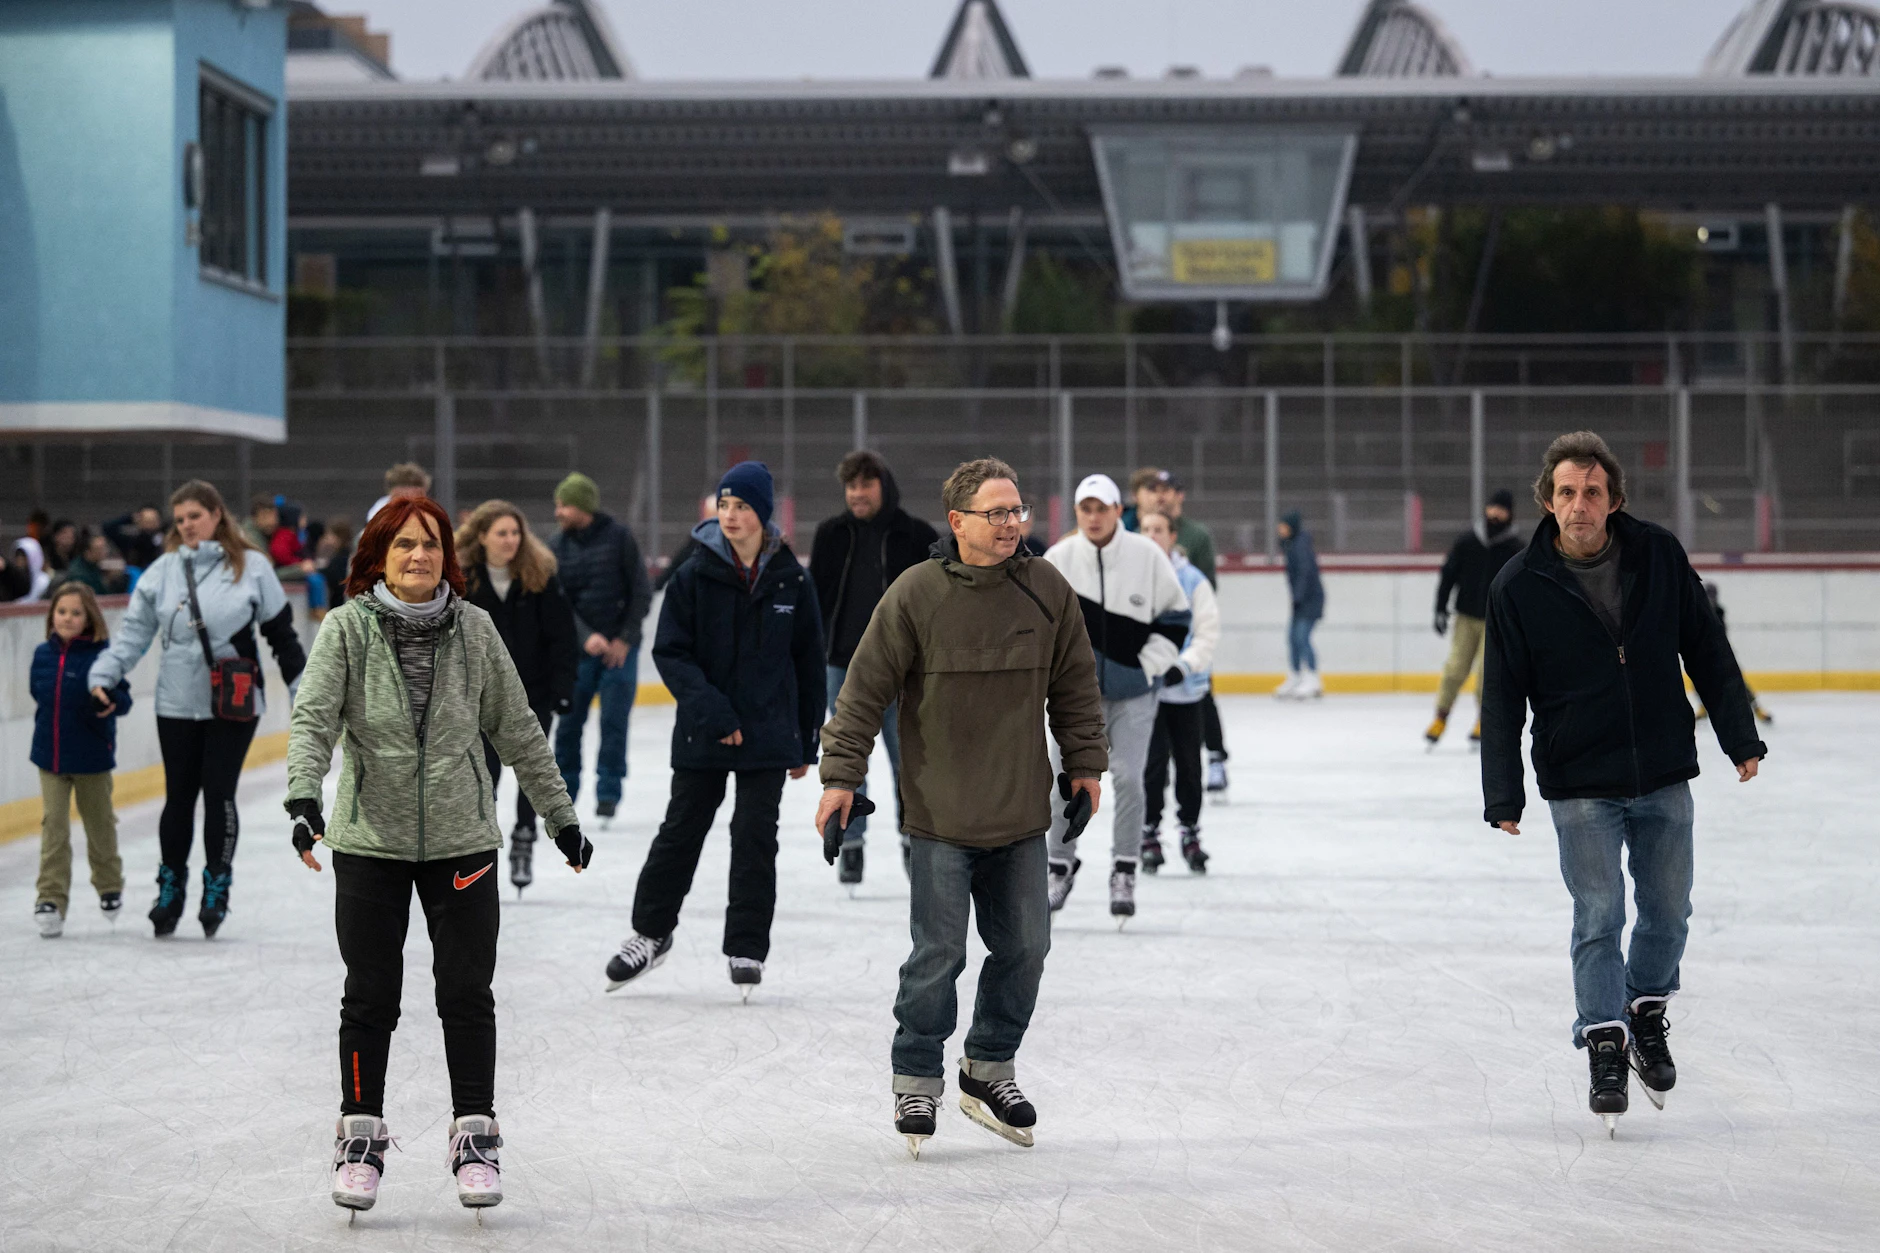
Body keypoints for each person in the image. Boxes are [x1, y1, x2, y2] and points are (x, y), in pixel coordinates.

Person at [285, 495, 589, 1217]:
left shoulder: (475, 628)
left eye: (429, 543)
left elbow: (517, 727)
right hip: (370, 840)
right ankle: (360, 1139)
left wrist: (559, 815)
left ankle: (475, 1139)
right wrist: (303, 797)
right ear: (379, 556)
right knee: (370, 994)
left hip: (462, 839)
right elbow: (314, 718)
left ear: (447, 554)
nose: (418, 555)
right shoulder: (347, 628)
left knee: (466, 992)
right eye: (403, 544)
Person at [816, 457, 1106, 1154]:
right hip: (940, 813)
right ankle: (916, 1076)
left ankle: (988, 1066)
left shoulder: (1045, 589)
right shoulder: (916, 593)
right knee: (938, 953)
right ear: (958, 522)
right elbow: (861, 692)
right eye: (995, 512)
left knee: (1027, 947)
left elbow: (1074, 685)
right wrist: (840, 778)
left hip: (1020, 811)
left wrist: (1086, 766)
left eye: (1017, 510)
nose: (1011, 524)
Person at [1481, 430, 1766, 1137]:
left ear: (1613, 501)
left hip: (1661, 768)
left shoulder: (1658, 555)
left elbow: (1706, 646)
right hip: (1579, 779)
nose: (1579, 504)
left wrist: (1738, 734)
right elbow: (1501, 697)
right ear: (1548, 500)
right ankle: (1605, 1042)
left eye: (1593, 492)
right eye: (1567, 492)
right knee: (1599, 913)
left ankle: (1643, 1009)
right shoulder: (1518, 585)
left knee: (1669, 913)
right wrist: (1503, 792)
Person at [603, 462, 823, 998]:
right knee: (680, 831)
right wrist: (714, 713)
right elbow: (670, 652)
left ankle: (746, 946)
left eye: (742, 506)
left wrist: (807, 739)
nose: (730, 515)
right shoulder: (693, 573)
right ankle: (651, 933)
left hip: (769, 732)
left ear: (762, 513)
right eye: (724, 505)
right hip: (705, 729)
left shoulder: (791, 578)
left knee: (754, 838)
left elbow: (808, 662)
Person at [86, 480, 306, 939]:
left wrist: (302, 691)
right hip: (176, 702)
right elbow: (133, 636)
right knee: (179, 797)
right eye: (181, 519)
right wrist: (104, 673)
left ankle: (216, 887)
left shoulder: (252, 567)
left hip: (233, 703)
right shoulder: (162, 572)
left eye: (195, 516)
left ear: (216, 515)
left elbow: (282, 637)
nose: (187, 525)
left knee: (219, 794)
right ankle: (170, 889)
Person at [1043, 473, 1188, 922]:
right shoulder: (1059, 559)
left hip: (1133, 695)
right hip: (1073, 700)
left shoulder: (1147, 555)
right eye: (1085, 509)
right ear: (1077, 513)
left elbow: (1177, 617)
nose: (1093, 517)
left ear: (1117, 512)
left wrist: (1147, 666)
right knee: (1060, 781)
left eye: (1101, 508)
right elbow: (1037, 625)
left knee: (1127, 778)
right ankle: (1058, 866)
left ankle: (1124, 868)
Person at [808, 450, 939, 887]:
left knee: (909, 765)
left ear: (885, 486)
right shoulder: (830, 534)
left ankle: (913, 841)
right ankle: (851, 845)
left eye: (865, 484)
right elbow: (816, 602)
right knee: (850, 762)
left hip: (902, 673)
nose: (857, 494)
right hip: (843, 669)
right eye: (851, 486)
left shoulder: (916, 535)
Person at [457, 500, 579, 894]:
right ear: (482, 536)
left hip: (533, 694)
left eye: (515, 532)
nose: (510, 540)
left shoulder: (539, 576)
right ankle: (482, 846)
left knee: (533, 771)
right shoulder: (462, 582)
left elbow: (563, 637)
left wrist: (563, 688)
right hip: (479, 696)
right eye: (501, 533)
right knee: (484, 772)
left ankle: (524, 837)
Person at [29, 584, 132, 938]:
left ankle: (109, 885)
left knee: (99, 825)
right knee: (54, 828)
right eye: (61, 612)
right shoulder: (42, 655)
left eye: (76, 613)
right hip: (50, 756)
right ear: (51, 615)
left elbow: (124, 700)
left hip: (92, 757)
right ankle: (50, 898)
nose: (67, 619)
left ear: (89, 618)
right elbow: (38, 693)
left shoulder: (104, 657)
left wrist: (110, 701)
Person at [550, 472, 653, 824]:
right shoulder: (556, 546)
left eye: (564, 505)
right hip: (577, 652)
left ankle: (608, 793)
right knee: (568, 726)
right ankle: (563, 795)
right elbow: (557, 601)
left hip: (619, 652)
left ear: (583, 507)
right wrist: (584, 637)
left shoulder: (620, 538)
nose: (558, 512)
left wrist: (624, 639)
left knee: (613, 723)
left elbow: (640, 592)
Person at [1135, 509, 1219, 875]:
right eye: (1146, 529)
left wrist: (1183, 666)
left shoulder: (1193, 580)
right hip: (1147, 690)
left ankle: (1189, 830)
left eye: (1159, 529)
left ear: (1172, 536)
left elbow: (1207, 632)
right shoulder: (1134, 577)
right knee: (1151, 766)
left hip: (1187, 691)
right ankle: (1149, 832)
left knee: (1189, 765)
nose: (1152, 535)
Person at [1426, 489, 1522, 747]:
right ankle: (1440, 717)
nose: (1496, 514)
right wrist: (1440, 608)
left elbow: (1521, 588)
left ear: (1510, 514)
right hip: (1466, 617)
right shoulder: (1468, 541)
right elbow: (1449, 574)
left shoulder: (1515, 548)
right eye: (1493, 508)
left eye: (1502, 509)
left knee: (1486, 675)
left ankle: (1483, 719)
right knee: (1454, 669)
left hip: (1496, 621)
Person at [1696, 582, 1774, 725]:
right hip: (1703, 654)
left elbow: (1718, 635)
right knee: (1699, 679)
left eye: (1712, 596)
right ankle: (1703, 707)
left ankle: (1756, 708)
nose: (1710, 599)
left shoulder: (1718, 612)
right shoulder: (1698, 611)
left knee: (1738, 682)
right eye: (1708, 596)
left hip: (1721, 654)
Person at [1275, 510, 1325, 699]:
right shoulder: (1291, 545)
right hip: (1300, 600)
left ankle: (1312, 677)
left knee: (1302, 638)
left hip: (1309, 600)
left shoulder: (1300, 546)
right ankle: (1296, 676)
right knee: (1292, 638)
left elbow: (1305, 572)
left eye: (1283, 526)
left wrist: (1298, 596)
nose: (1279, 529)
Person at [101, 504, 166, 572]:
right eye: (146, 520)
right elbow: (107, 528)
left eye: (153, 520)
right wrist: (129, 518)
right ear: (138, 521)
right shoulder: (130, 541)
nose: (149, 524)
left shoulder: (166, 539)